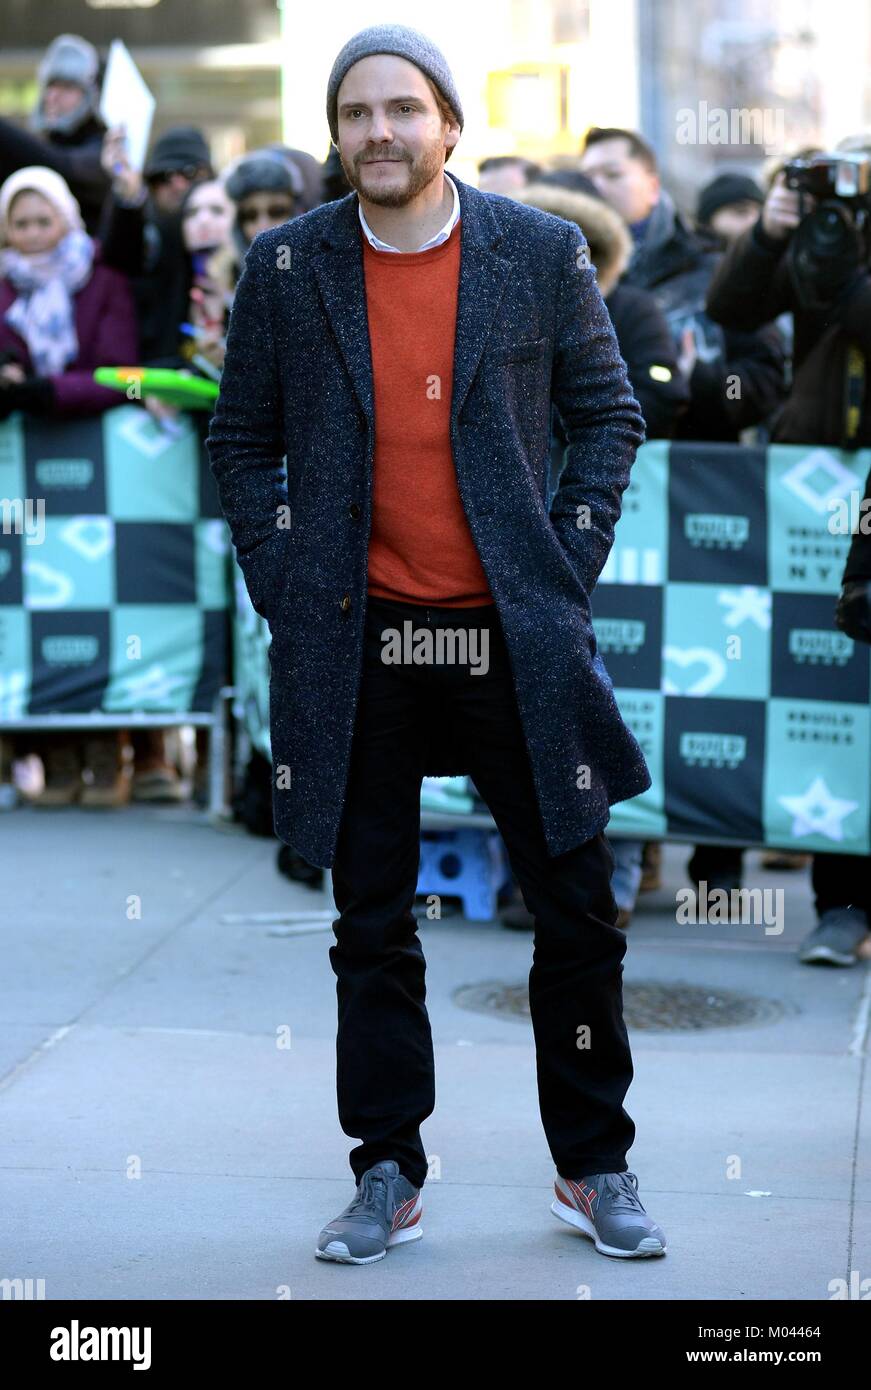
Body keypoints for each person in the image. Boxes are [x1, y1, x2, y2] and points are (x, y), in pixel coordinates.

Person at [207, 22, 668, 1265]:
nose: (379, 132)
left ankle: (593, 1162)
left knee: (575, 910)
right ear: (336, 133)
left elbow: (607, 414)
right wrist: (283, 578)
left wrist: (561, 565)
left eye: (402, 109)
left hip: (512, 637)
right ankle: (388, 1167)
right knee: (372, 919)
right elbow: (243, 441)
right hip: (358, 638)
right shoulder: (290, 266)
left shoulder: (537, 248)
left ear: (448, 124)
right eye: (356, 113)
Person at [706, 142, 871, 965]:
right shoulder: (822, 233)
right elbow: (731, 308)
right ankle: (840, 904)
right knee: (830, 699)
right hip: (817, 485)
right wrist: (772, 236)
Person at [0, 164, 139, 805]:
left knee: (97, 600)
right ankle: (51, 757)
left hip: (100, 478)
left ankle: (104, 753)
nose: (31, 233)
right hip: (20, 484)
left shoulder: (103, 279)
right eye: (19, 222)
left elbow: (119, 372)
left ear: (66, 219)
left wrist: (47, 391)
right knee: (35, 605)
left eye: (42, 219)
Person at [0, 35, 111, 238]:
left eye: (66, 87)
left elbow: (61, 165)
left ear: (92, 94)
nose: (52, 97)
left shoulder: (105, 150)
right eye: (49, 86)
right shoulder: (42, 144)